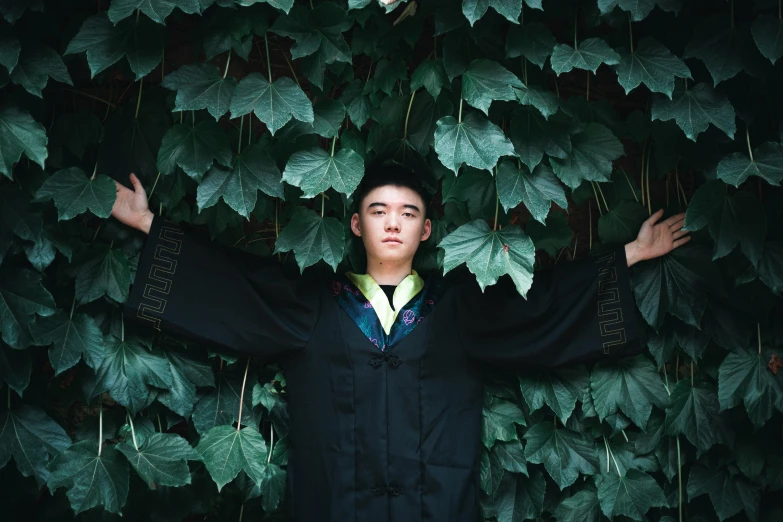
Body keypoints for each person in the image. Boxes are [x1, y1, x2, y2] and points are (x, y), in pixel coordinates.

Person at [112, 164, 690, 522]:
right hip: (335, 508)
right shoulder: (312, 304)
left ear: (426, 229)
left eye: (408, 212)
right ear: (357, 224)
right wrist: (146, 226)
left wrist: (632, 255)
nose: (393, 222)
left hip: (433, 507)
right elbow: (233, 289)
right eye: (378, 210)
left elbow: (542, 310)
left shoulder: (460, 310)